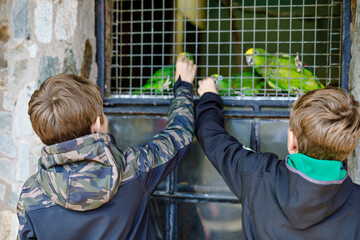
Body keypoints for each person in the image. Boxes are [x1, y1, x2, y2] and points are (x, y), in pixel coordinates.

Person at [16, 55, 197, 240]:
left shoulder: (30, 195)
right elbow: (180, 134)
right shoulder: (133, 167)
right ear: (96, 125)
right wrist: (183, 85)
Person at [195, 77, 360, 239]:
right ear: (349, 149)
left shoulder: (257, 174)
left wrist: (209, 97)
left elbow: (212, 137)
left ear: (291, 142)